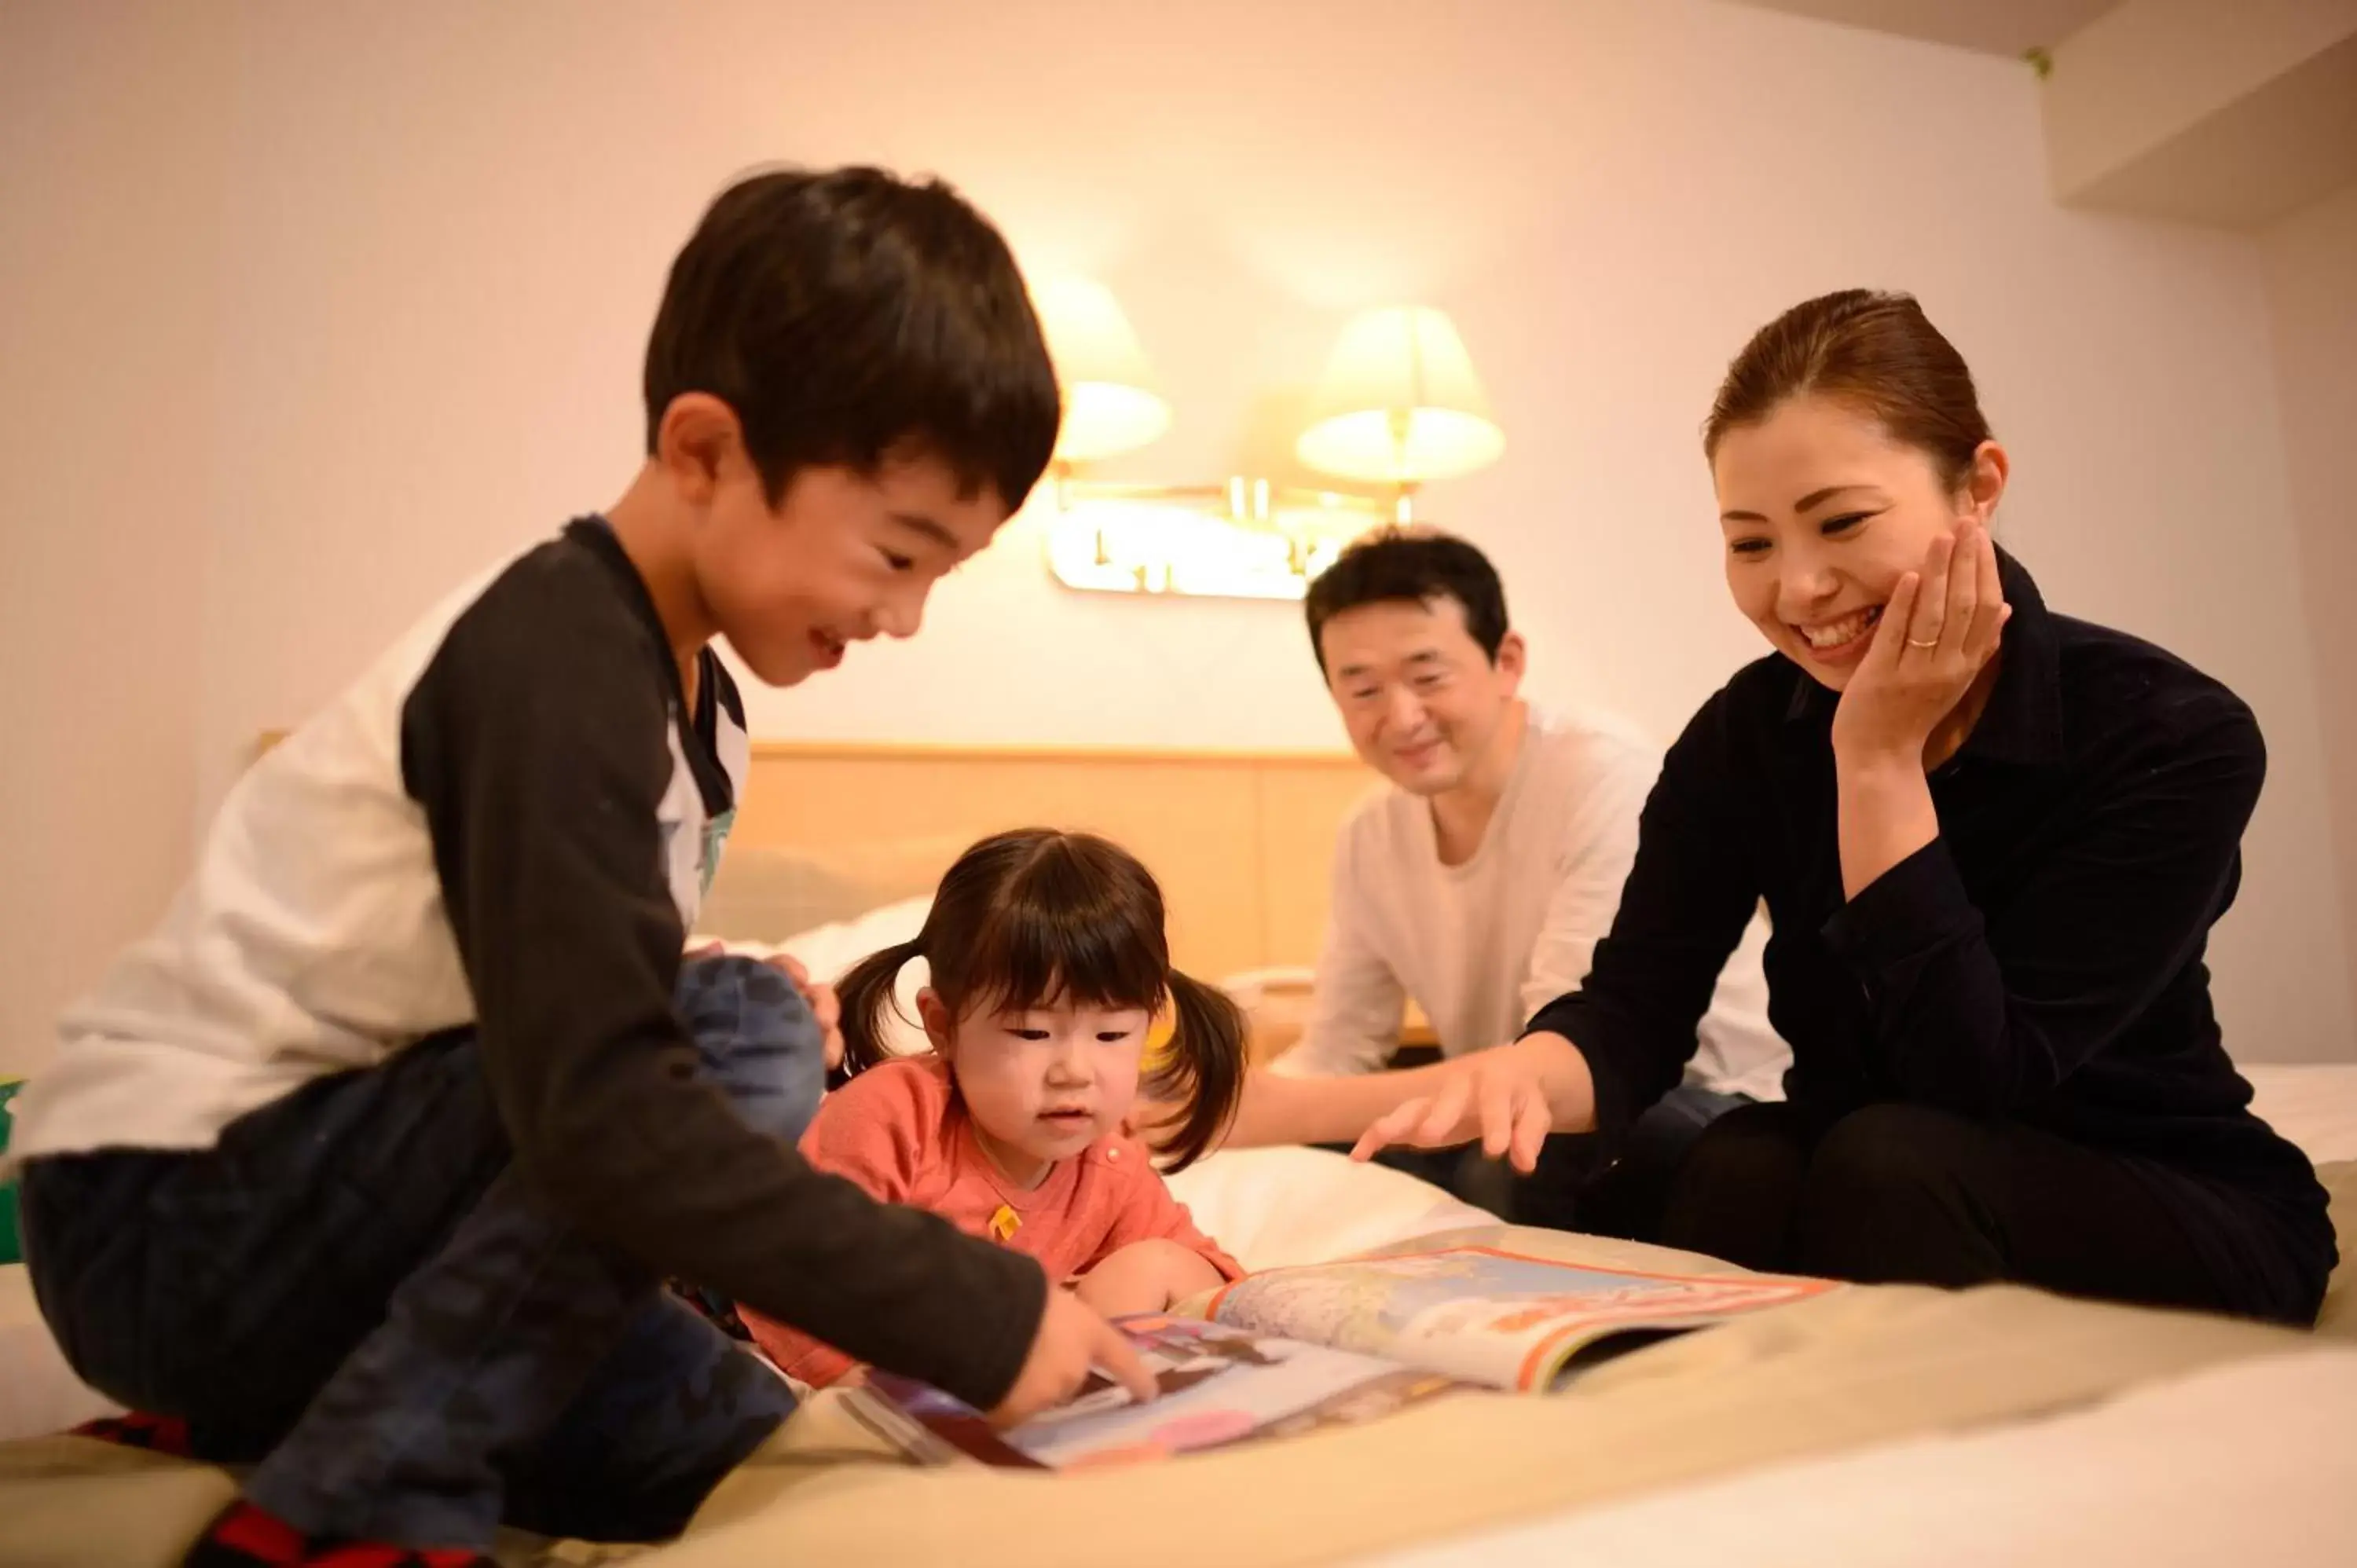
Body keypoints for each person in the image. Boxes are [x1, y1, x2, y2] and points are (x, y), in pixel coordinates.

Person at [5, 167, 1153, 1568]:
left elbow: (552, 1010)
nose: (904, 617)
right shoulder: (552, 658)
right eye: (895, 553)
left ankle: (273, 1422)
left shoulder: (699, 708)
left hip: (355, 1253)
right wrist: (977, 1304)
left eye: (941, 577)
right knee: (731, 1031)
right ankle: (342, 1507)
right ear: (708, 452)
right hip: (168, 1211)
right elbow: (608, 1113)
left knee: (735, 1440)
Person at [1349, 288, 2336, 1324]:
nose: (1802, 587)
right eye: (1752, 543)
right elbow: (1638, 1004)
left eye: (1842, 523)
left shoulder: (2167, 729)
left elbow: (1971, 1075)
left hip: (2161, 1188)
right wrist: (1522, 1073)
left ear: (1978, 489)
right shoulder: (1743, 735)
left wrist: (1875, 758)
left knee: (1884, 1160)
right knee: (1727, 1165)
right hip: (1884, 1162)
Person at [1260, 528, 1789, 1234]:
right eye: (1362, 689)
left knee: (1522, 1154)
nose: (1402, 716)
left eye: (1428, 677)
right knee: (1343, 1157)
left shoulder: (1599, 773)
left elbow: (1575, 1056)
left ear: (1506, 661)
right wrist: (1220, 1109)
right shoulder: (1370, 834)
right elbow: (1338, 1050)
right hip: (1518, 1107)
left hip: (1696, 1098)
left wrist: (1278, 1111)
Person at [744, 828, 1248, 1388]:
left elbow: (1222, 1289)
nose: (1074, 1072)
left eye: (1110, 1035)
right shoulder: (891, 1116)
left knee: (1155, 1263)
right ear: (943, 1025)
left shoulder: (1109, 1167)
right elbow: (786, 1279)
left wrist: (1136, 1284)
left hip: (1025, 1398)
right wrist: (883, 1391)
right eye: (1032, 1033)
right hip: (849, 1362)